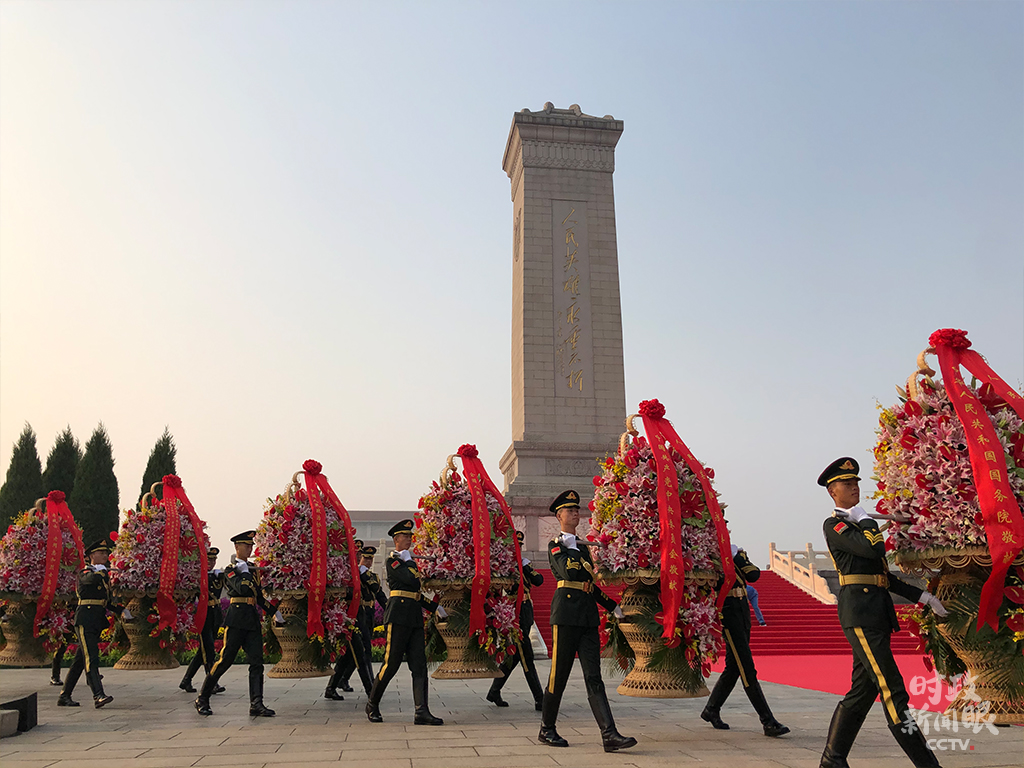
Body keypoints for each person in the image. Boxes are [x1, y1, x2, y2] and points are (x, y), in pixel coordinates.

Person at [818, 457, 945, 768]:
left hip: (875, 612)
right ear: (834, 492)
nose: (854, 487)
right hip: (859, 614)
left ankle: (832, 760)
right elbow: (872, 549)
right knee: (893, 691)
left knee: (862, 692)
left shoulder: (859, 525)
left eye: (857, 482)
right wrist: (866, 520)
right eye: (847, 484)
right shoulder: (835, 525)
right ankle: (928, 765)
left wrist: (924, 597)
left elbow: (883, 577)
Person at [539, 490, 636, 753]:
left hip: (587, 616)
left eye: (577, 510)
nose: (575, 514)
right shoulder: (557, 545)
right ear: (559, 516)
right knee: (558, 676)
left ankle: (609, 734)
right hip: (566, 616)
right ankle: (547, 728)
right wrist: (573, 551)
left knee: (594, 677)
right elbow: (566, 571)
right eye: (570, 511)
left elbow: (589, 582)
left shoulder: (580, 547)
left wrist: (612, 605)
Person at [700, 544, 789, 737]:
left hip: (742, 611)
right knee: (746, 668)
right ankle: (767, 721)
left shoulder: (735, 554)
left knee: (733, 667)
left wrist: (737, 557)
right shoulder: (708, 556)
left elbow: (754, 575)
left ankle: (712, 709)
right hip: (728, 614)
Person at [364, 519, 444, 726]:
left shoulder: (408, 561)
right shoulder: (394, 562)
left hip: (414, 617)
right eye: (405, 536)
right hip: (398, 616)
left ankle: (421, 711)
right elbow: (412, 580)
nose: (409, 539)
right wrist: (409, 562)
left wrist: (435, 608)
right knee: (391, 664)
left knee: (419, 666)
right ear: (396, 539)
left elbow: (415, 592)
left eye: (410, 536)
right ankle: (372, 703)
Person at [195, 530, 280, 718]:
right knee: (225, 660)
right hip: (236, 620)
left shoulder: (251, 569)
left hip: (251, 620)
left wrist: (275, 612)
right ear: (236, 547)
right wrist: (245, 573)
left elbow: (257, 596)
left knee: (257, 662)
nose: (250, 549)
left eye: (251, 546)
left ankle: (256, 703)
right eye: (246, 545)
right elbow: (241, 588)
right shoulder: (230, 569)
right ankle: (203, 697)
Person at [59, 536, 126, 708]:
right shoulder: (85, 572)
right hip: (85, 620)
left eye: (106, 553)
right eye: (101, 553)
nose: (105, 556)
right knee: (92, 658)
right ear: (90, 556)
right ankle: (98, 695)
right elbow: (89, 581)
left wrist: (122, 611)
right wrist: (103, 572)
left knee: (80, 661)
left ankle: (64, 695)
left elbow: (106, 601)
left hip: (96, 621)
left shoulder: (101, 574)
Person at [486, 530, 545, 710]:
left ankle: (494, 691)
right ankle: (539, 698)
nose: (517, 549)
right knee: (526, 654)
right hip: (514, 611)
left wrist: (525, 566)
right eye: (514, 546)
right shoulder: (505, 566)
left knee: (515, 655)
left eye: (519, 546)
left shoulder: (523, 564)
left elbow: (539, 580)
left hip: (527, 610)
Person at [326, 544, 389, 700]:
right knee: (362, 652)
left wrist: (389, 609)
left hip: (365, 615)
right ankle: (370, 690)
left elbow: (378, 593)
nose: (365, 560)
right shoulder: (349, 574)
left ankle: (332, 686)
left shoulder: (367, 575)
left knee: (349, 655)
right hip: (351, 616)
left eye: (368, 558)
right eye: (362, 556)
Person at [179, 547, 226, 695]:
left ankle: (186, 680)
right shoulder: (198, 577)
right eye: (209, 560)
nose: (211, 563)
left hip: (215, 615)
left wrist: (221, 576)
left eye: (214, 560)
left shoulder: (217, 576)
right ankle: (211, 682)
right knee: (209, 650)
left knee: (203, 651)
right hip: (204, 615)